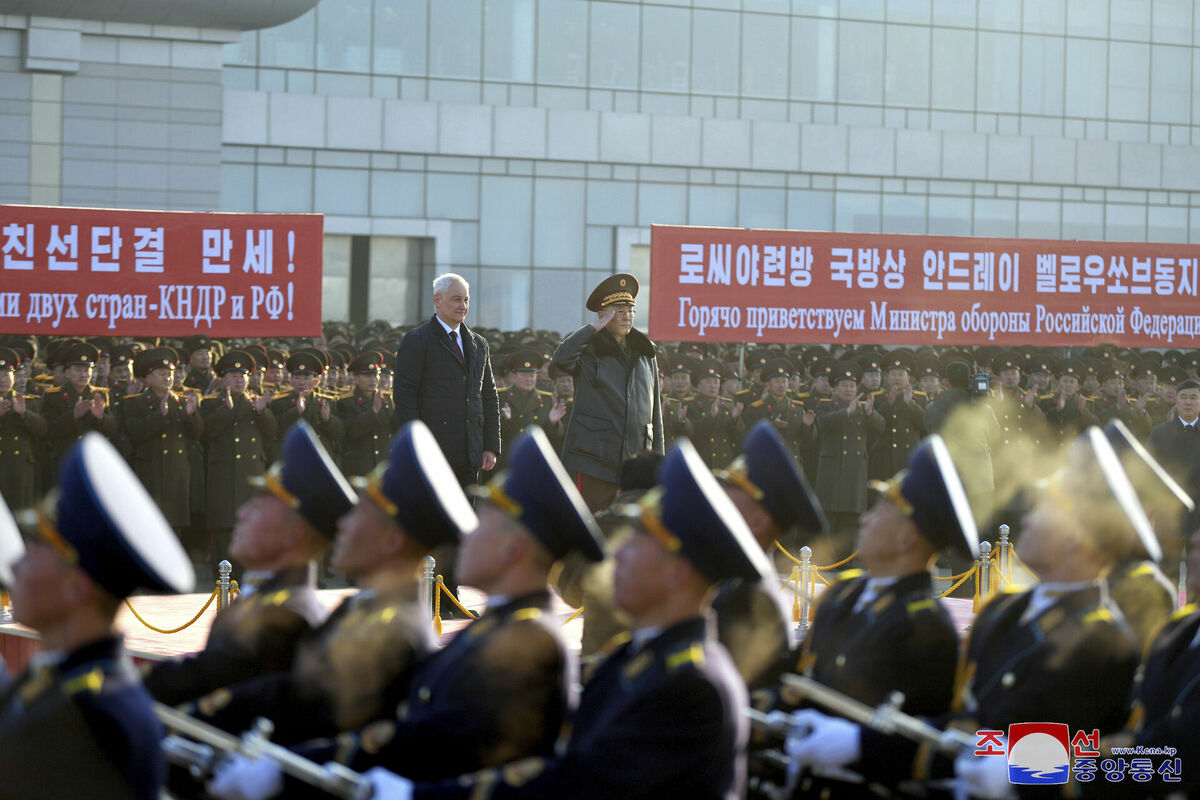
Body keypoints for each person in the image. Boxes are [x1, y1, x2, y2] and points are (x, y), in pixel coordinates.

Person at [360, 437, 772, 800]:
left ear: (677, 573)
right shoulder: (634, 656)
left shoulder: (691, 684)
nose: (619, 555)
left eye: (638, 544)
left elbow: (586, 782)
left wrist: (422, 796)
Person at [208, 426, 604, 798]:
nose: (466, 534)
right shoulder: (498, 628)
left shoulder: (526, 637)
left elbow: (441, 740)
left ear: (510, 549)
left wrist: (289, 768)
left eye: (481, 523)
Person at [786, 428, 1142, 796]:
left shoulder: (1106, 639)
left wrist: (1028, 772)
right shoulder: (1003, 611)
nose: (1029, 520)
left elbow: (1118, 755)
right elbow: (962, 723)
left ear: (1075, 538)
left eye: (1045, 509)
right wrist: (862, 740)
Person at [189, 420, 477, 751]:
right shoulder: (361, 608)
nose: (341, 523)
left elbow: (313, 713)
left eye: (358, 514)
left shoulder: (393, 627)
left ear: (390, 541)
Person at [777, 434, 977, 798]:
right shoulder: (842, 594)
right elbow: (796, 675)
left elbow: (930, 734)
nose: (865, 519)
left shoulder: (926, 624)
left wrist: (862, 744)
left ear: (906, 540)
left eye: (882, 510)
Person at [0, 432, 195, 800]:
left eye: (36, 550)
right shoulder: (61, 681)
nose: (15, 564)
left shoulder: (92, 716)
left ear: (77, 587)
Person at [143, 422, 351, 707]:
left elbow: (196, 684)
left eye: (259, 507)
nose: (242, 513)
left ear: (294, 534)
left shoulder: (284, 617)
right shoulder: (265, 600)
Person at [713, 420, 828, 689]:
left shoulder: (749, 601)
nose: (720, 496)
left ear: (758, 523)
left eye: (734, 491)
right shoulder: (735, 579)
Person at [553, 273, 664, 512]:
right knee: (593, 524)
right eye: (619, 310)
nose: (627, 316)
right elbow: (560, 360)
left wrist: (658, 459)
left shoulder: (646, 353)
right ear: (603, 314)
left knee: (632, 528)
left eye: (630, 310)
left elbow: (655, 413)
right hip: (596, 459)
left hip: (636, 462)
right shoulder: (589, 350)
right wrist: (593, 329)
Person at [393, 272, 500, 488]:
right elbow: (405, 396)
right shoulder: (417, 340)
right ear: (437, 300)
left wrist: (490, 445)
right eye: (456, 299)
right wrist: (415, 445)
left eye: (466, 300)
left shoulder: (479, 344)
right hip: (433, 451)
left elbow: (489, 396)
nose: (463, 306)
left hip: (471, 453)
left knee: (467, 519)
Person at [197, 349, 278, 565]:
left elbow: (271, 433)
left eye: (242, 376)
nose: (239, 380)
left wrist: (263, 412)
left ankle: (248, 571)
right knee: (224, 526)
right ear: (223, 380)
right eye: (233, 376)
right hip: (223, 473)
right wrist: (226, 410)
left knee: (250, 525)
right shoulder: (211, 403)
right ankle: (221, 574)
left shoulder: (256, 402)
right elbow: (207, 432)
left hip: (250, 472)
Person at [119, 346, 203, 532]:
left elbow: (196, 435)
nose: (167, 378)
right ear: (148, 377)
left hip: (177, 472)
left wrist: (192, 415)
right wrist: (159, 415)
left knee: (175, 526)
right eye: (162, 374)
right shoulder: (135, 402)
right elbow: (134, 432)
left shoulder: (181, 401)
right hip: (151, 471)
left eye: (170, 374)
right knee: (149, 525)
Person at [336, 350, 398, 478]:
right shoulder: (346, 401)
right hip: (359, 468)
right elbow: (351, 432)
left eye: (375, 375)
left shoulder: (387, 399)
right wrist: (373, 411)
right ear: (356, 378)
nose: (373, 380)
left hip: (384, 466)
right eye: (367, 376)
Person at [0, 346, 46, 510]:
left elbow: (43, 431)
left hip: (20, 469)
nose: (2, 379)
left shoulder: (28, 401)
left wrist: (24, 414)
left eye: (6, 374)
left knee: (20, 517)